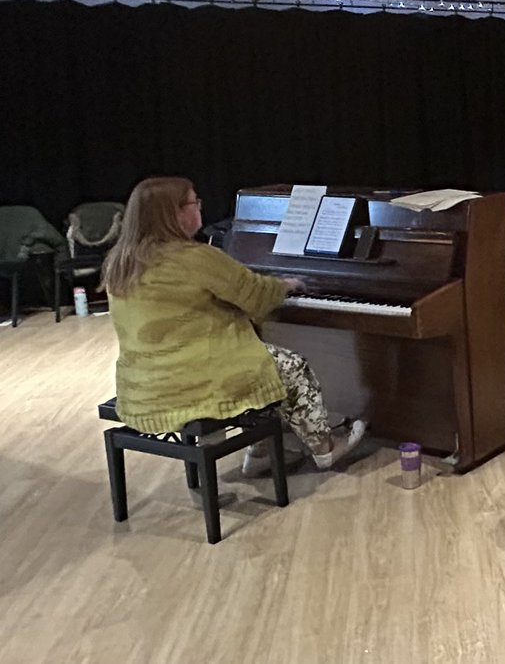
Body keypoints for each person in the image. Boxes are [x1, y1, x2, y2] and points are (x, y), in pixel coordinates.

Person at [101, 177, 366, 476]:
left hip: (142, 383)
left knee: (260, 358)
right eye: (194, 202)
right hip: (194, 380)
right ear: (173, 213)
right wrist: (286, 285)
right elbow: (255, 295)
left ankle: (261, 450)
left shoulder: (120, 262)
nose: (200, 207)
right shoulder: (195, 258)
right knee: (292, 367)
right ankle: (325, 448)